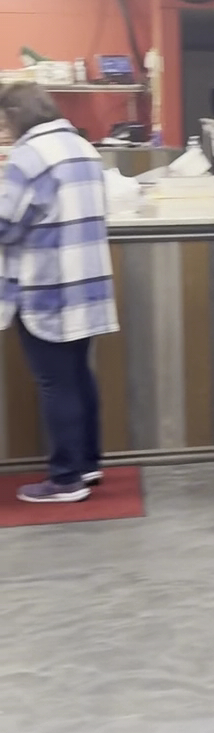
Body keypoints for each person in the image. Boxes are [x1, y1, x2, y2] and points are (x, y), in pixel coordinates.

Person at [0, 84, 118, 504]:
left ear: (17, 115)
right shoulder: (83, 148)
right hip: (85, 284)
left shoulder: (29, 157)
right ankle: (87, 463)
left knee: (55, 382)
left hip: (46, 287)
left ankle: (66, 479)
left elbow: (5, 223)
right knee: (78, 375)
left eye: (3, 120)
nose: (3, 130)